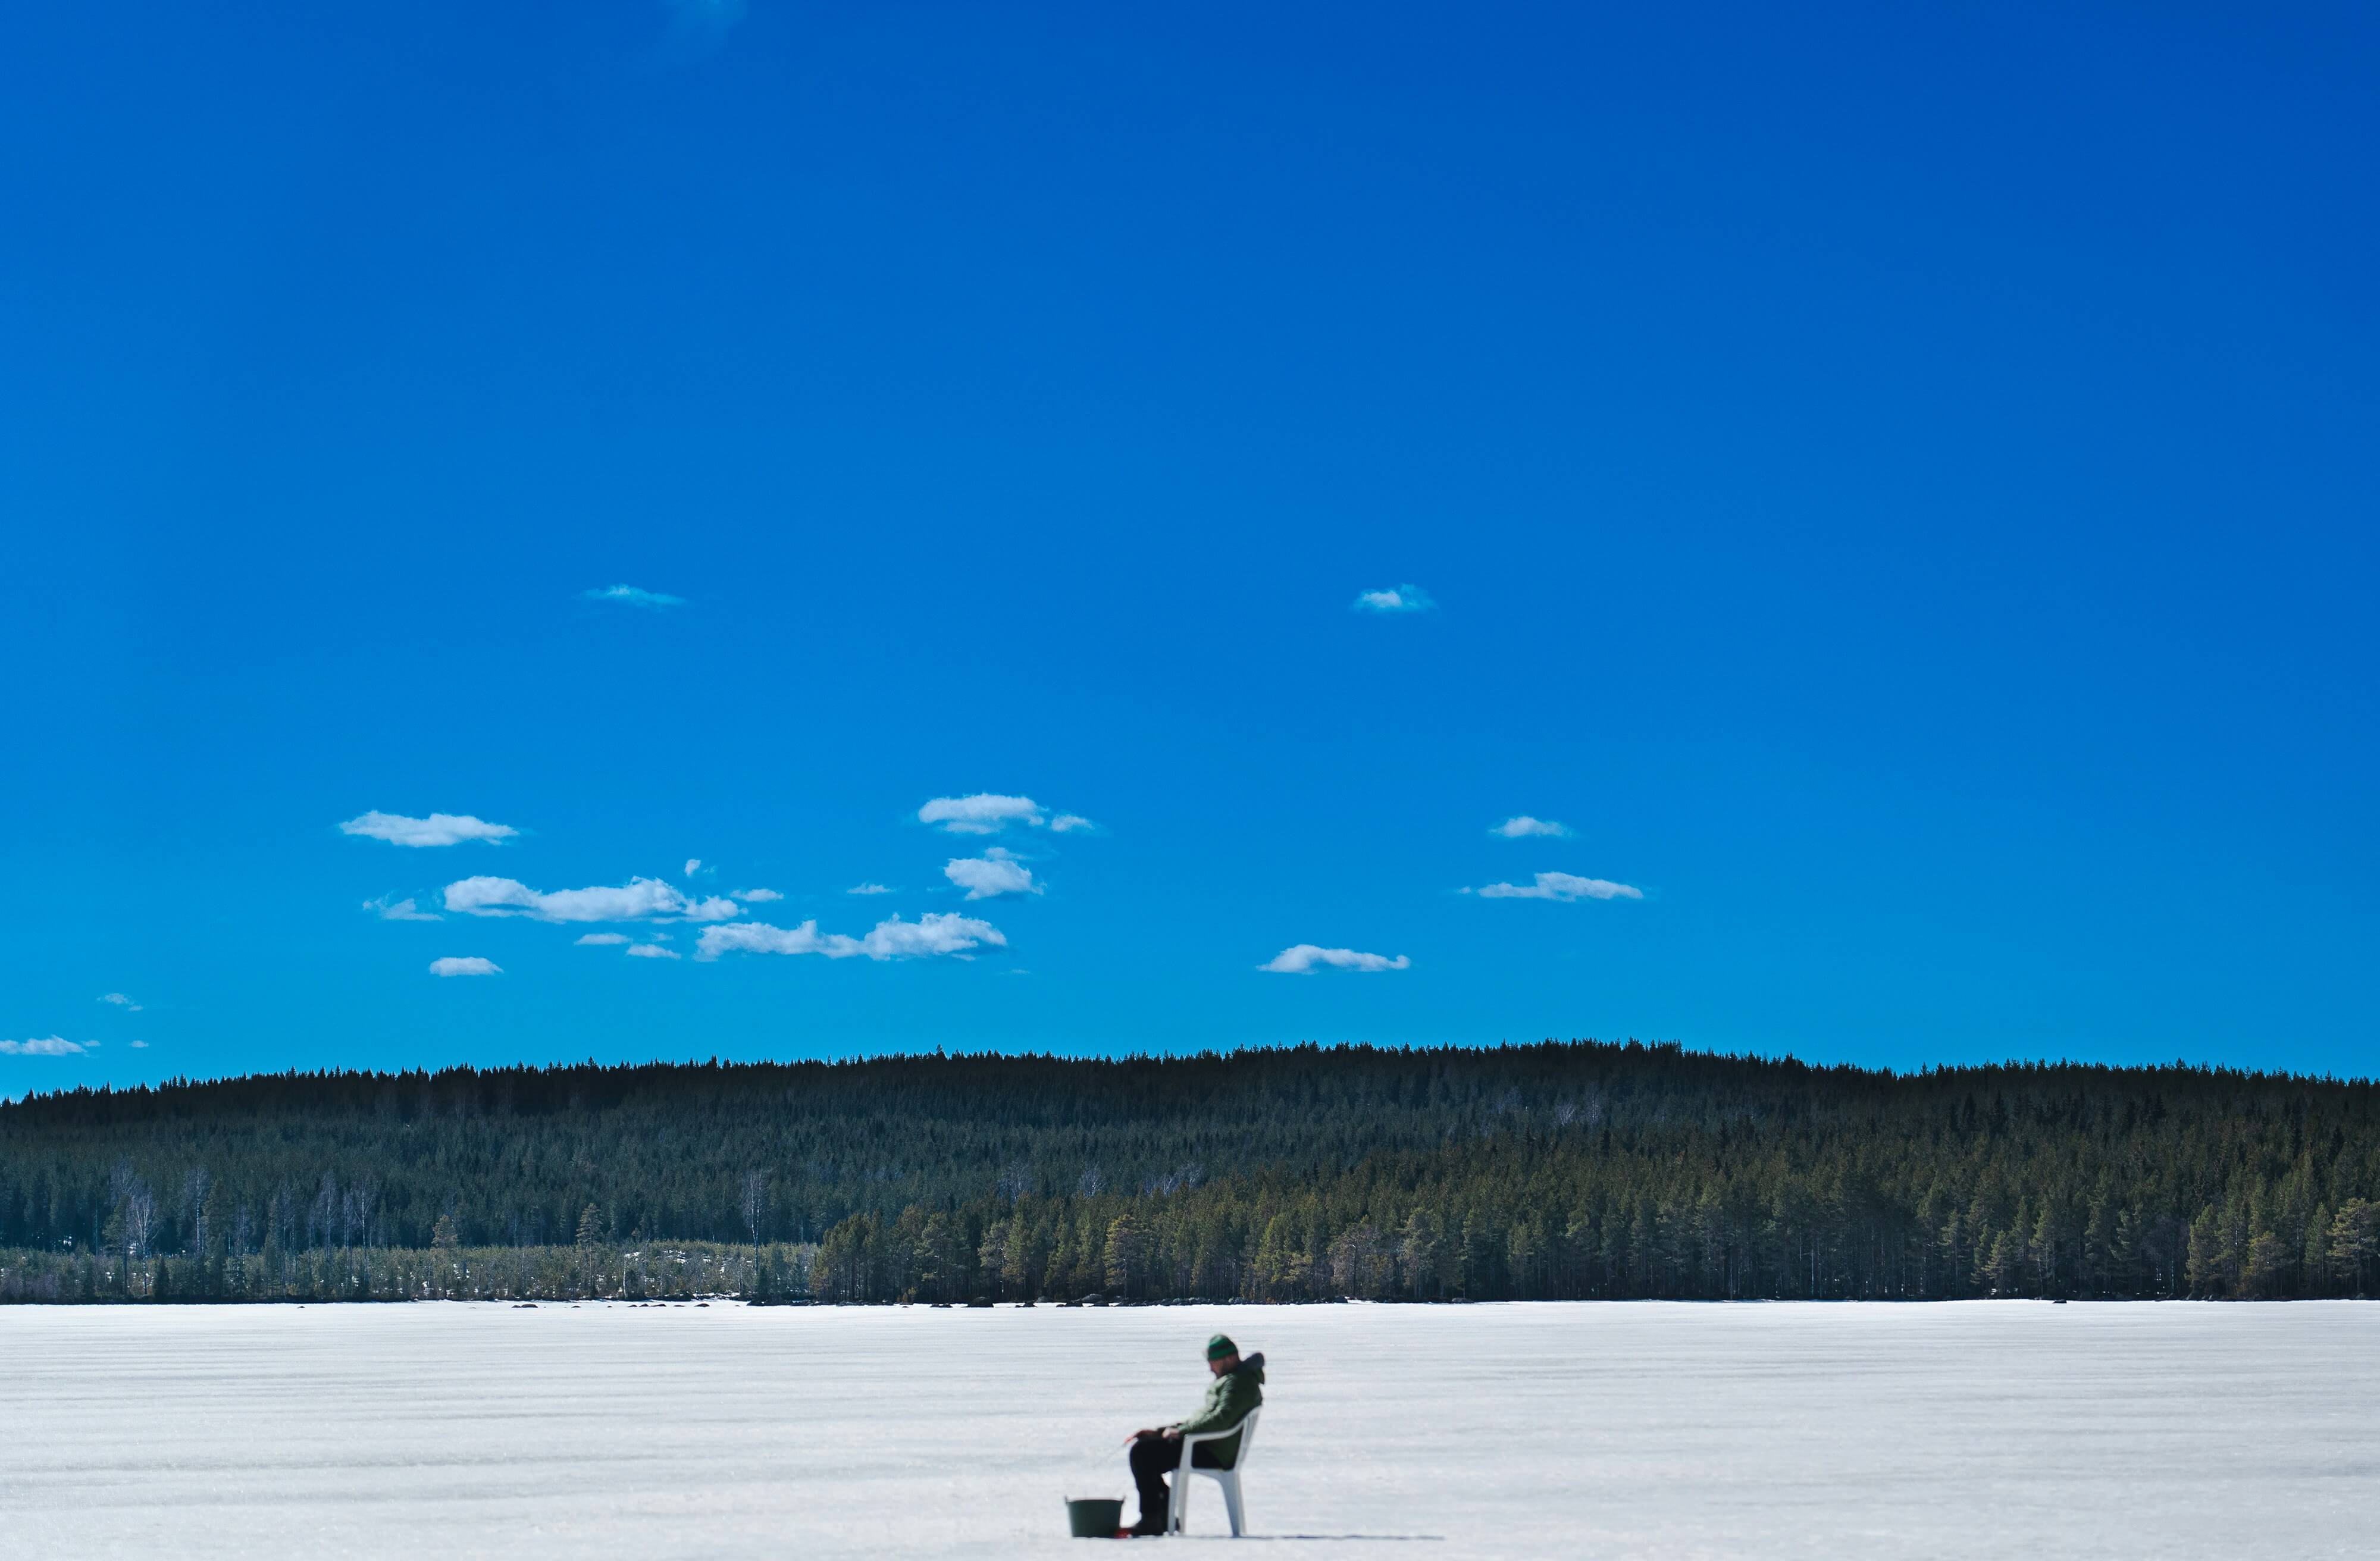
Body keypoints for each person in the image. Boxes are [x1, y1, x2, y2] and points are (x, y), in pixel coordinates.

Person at [1122, 1333, 1266, 1536]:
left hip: (1212, 1451)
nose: (1210, 1368)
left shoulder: (1238, 1383)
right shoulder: (1235, 1380)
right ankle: (1162, 1515)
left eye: (1213, 1362)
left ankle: (1153, 1518)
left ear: (1230, 1358)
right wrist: (1161, 1431)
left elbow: (1220, 1420)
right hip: (1207, 1445)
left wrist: (1180, 1432)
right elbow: (1208, 1420)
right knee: (1147, 1445)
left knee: (1143, 1452)